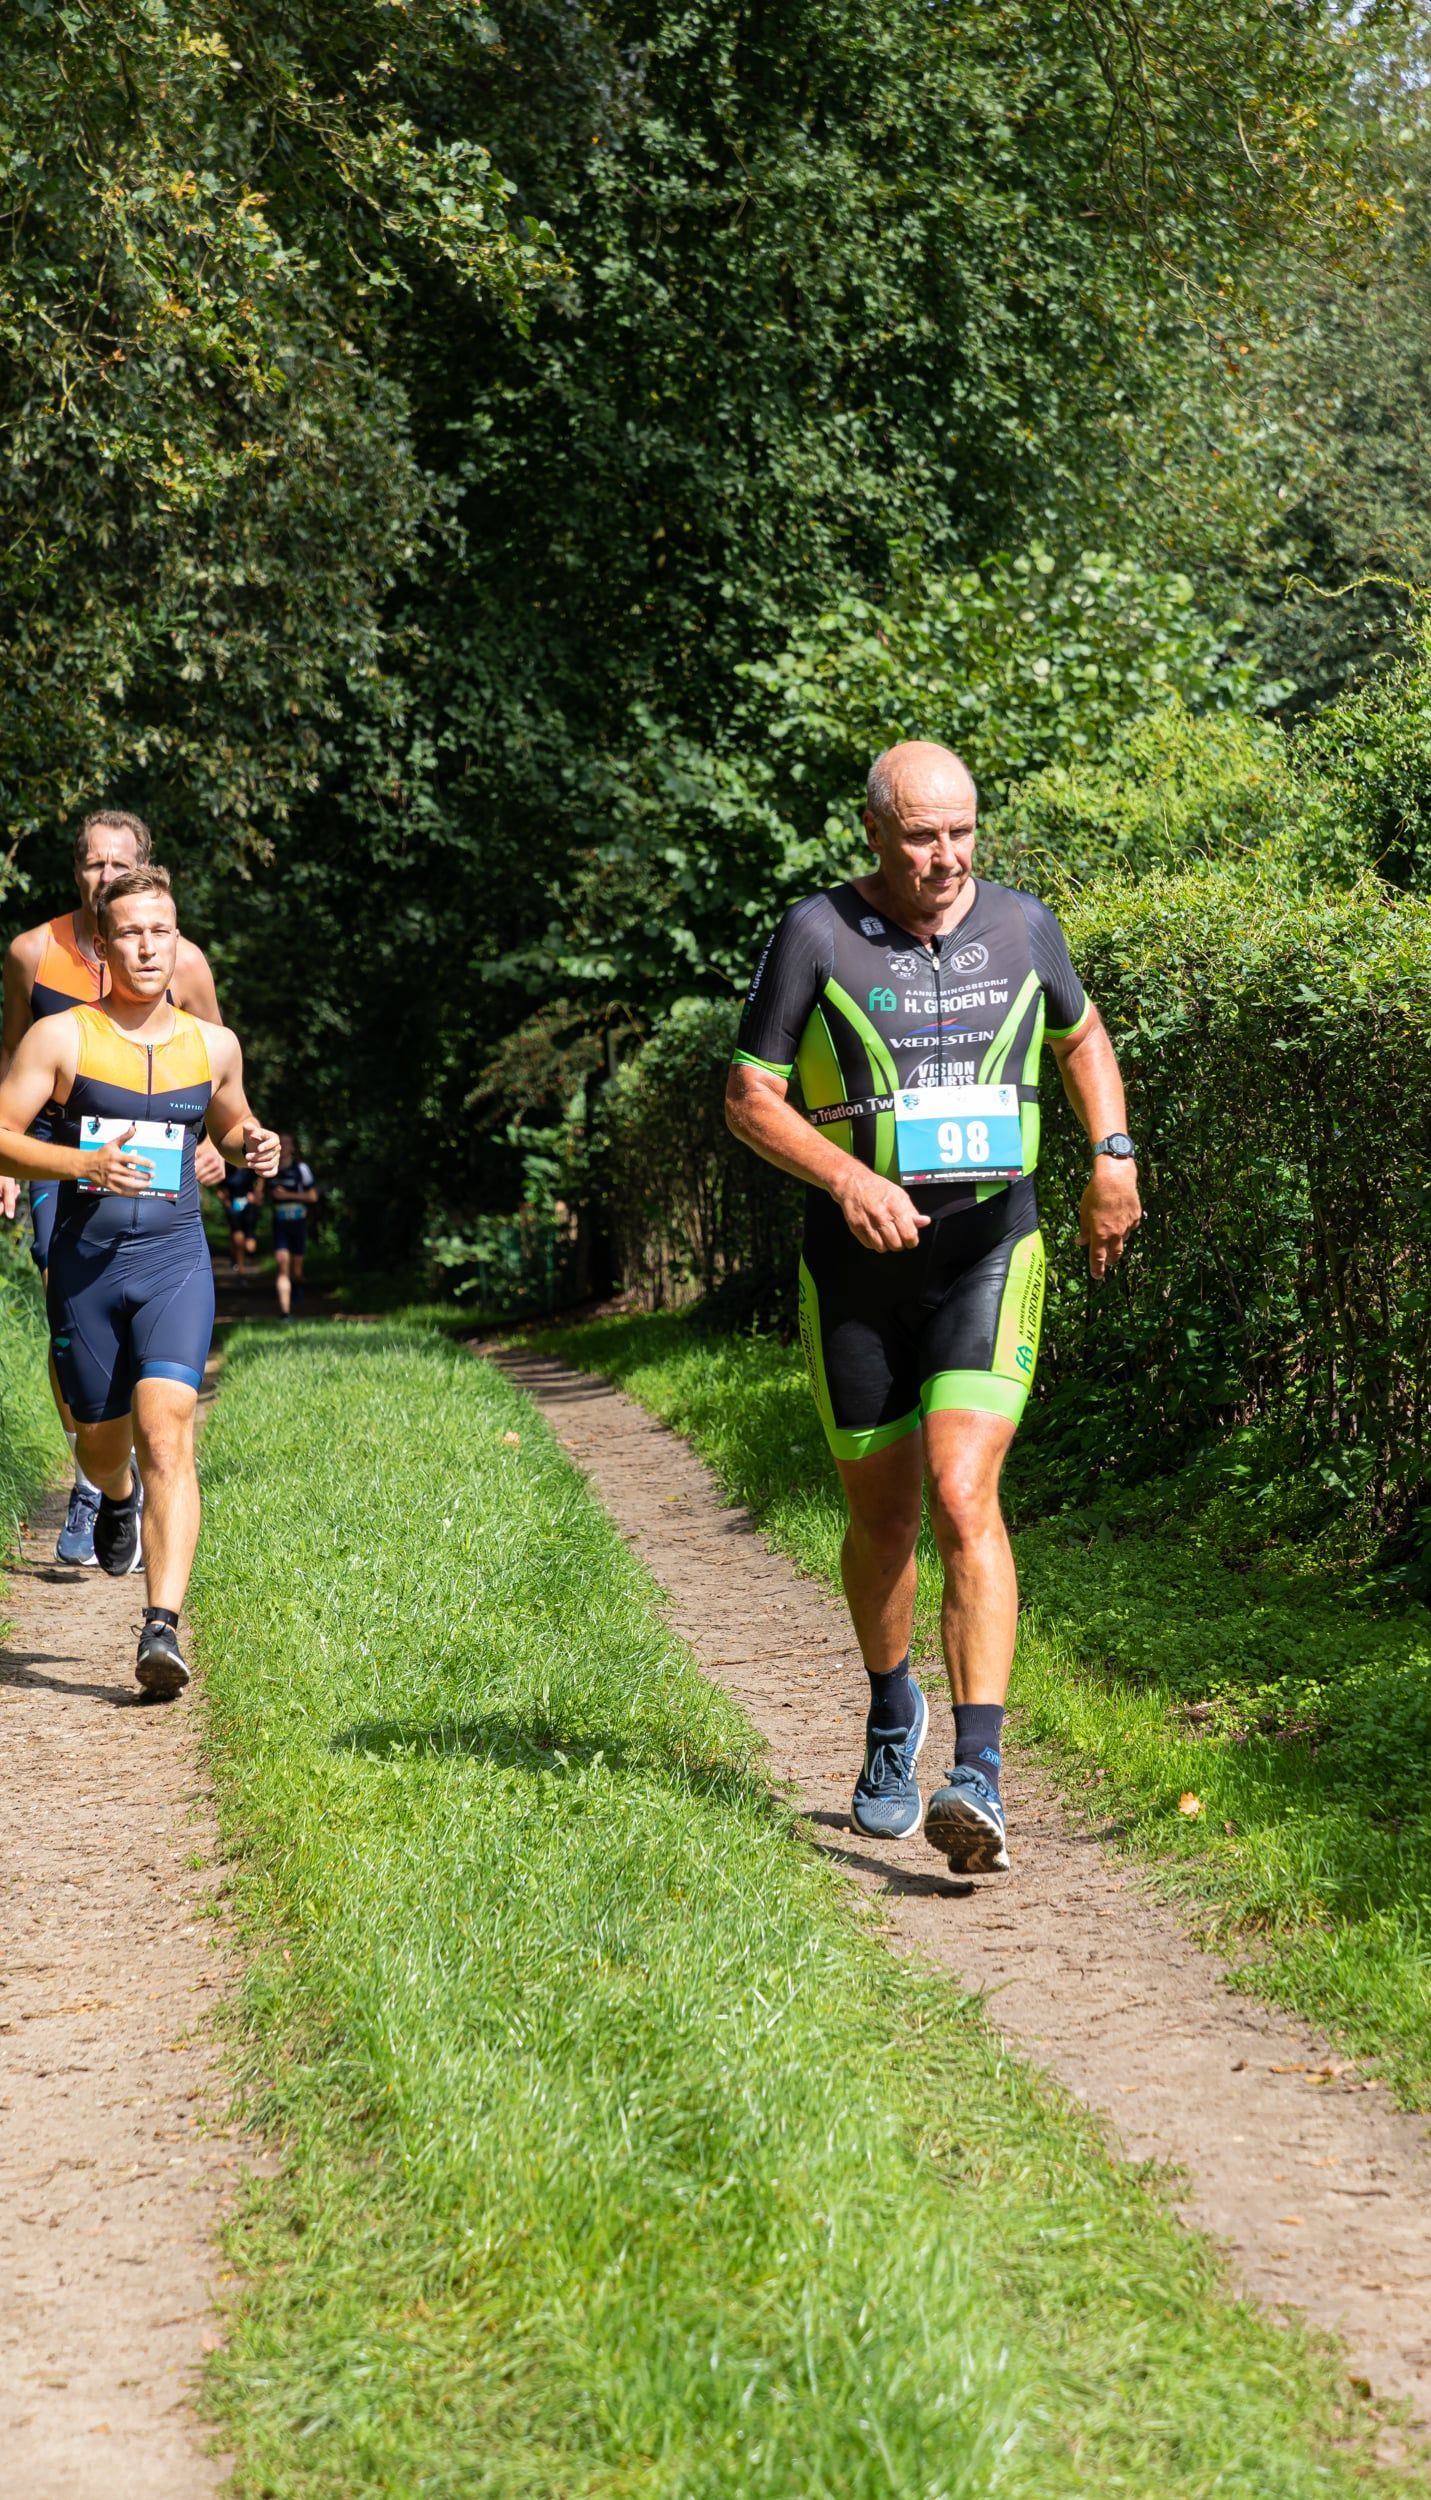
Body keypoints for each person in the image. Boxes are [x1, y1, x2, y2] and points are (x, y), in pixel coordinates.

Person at [725, 740, 1140, 1874]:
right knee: (885, 1515)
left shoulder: (1024, 925)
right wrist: (847, 1178)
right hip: (856, 1271)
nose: (947, 855)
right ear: (874, 831)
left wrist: (1111, 1151)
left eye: (961, 831)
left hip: (989, 1251)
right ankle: (890, 1710)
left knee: (966, 1495)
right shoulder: (813, 933)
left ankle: (980, 1776)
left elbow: (1082, 1034)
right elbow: (748, 1097)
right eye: (921, 834)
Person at [0, 865, 279, 1699]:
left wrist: (253, 1143)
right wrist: (84, 1161)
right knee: (102, 1441)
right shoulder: (64, 1039)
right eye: (130, 932)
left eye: (161, 930)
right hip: (86, 1266)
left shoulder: (213, 1044)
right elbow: (4, 1137)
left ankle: (160, 1626)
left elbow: (232, 1122)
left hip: (173, 1262)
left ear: (178, 938)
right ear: (104, 944)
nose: (148, 946)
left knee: (168, 1429)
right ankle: (113, 1498)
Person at [0, 808, 227, 1565]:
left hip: (157, 1185)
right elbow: (12, 1058)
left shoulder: (182, 959)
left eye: (117, 864)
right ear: (77, 873)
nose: (104, 876)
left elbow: (213, 1077)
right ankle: (95, 1465)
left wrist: (217, 1145)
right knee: (68, 1299)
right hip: (57, 1159)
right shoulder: (32, 952)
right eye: (93, 865)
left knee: (164, 1414)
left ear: (142, 865)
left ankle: (113, 1484)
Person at [269, 1136, 317, 1316]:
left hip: (298, 1222)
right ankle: (285, 1312)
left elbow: (313, 1197)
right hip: (280, 1223)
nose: (283, 1147)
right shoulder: (270, 1170)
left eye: (287, 1143)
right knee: (282, 1265)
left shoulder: (301, 1169)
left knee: (296, 1271)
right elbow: (258, 1195)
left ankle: (297, 1286)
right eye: (280, 1143)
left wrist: (288, 1195)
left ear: (293, 1148)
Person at [219, 1160, 262, 1273]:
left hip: (249, 1209)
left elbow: (260, 1181)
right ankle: (240, 1266)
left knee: (250, 1247)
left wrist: (256, 1196)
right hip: (233, 1209)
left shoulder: (250, 1170)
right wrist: (226, 1202)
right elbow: (221, 1190)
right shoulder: (227, 1171)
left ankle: (240, 1257)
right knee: (238, 1237)